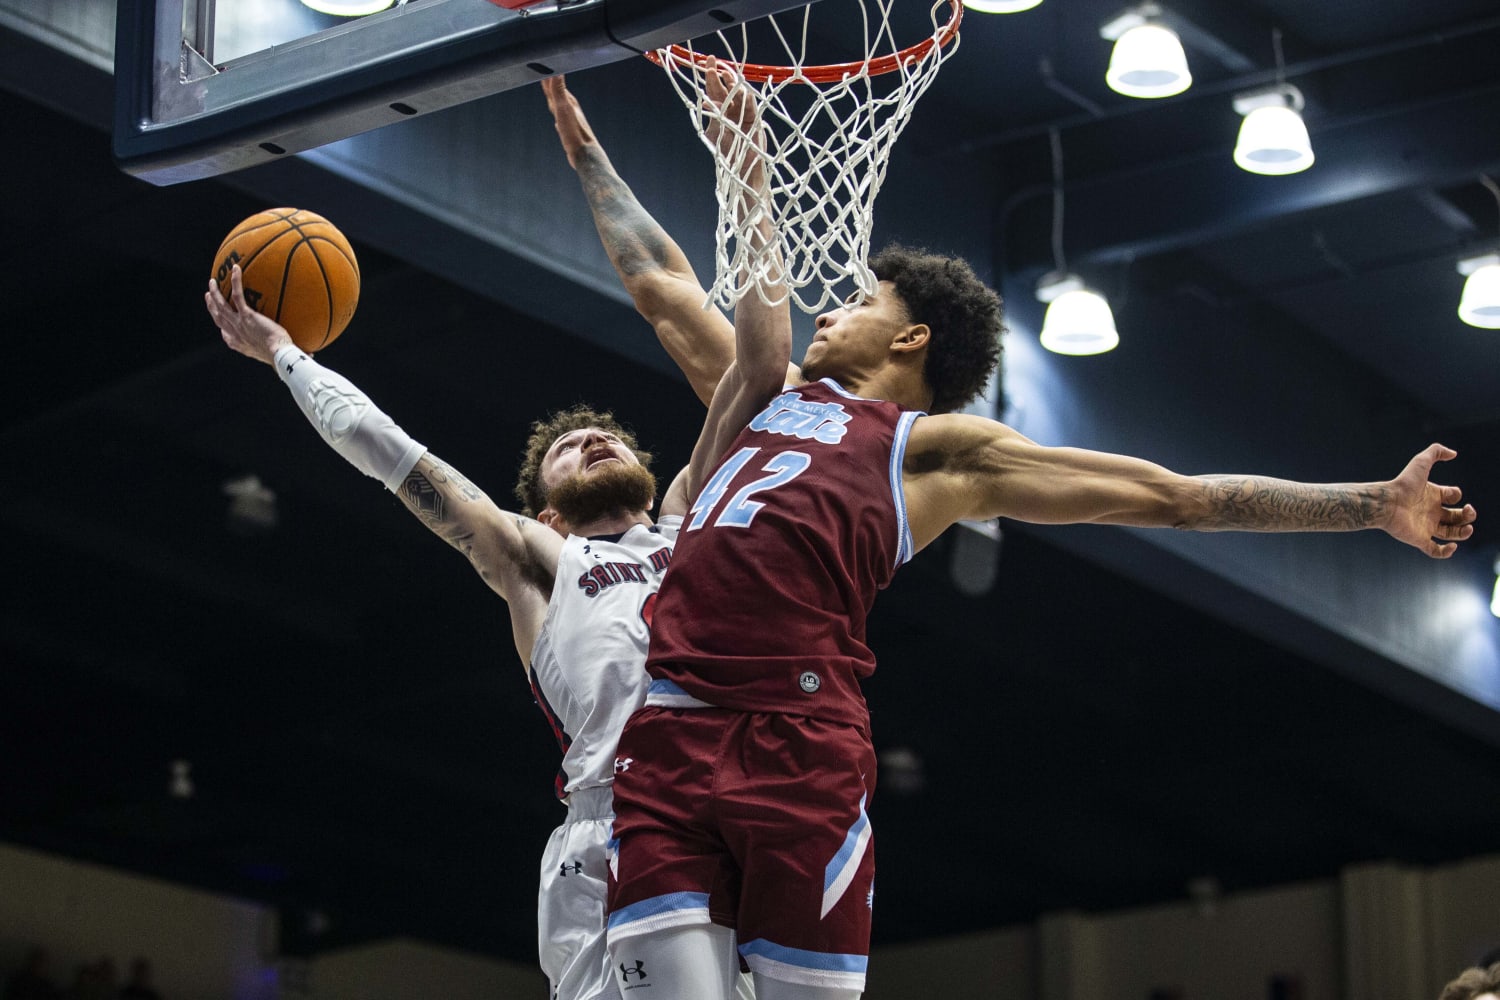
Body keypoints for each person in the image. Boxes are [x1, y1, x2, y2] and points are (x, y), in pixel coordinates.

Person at [536, 79, 1480, 1000]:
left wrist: (1370, 502)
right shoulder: (764, 402)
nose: (831, 310)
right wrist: (582, 144)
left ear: (910, 342)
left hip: (798, 741)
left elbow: (1176, 496)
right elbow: (662, 287)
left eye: (860, 302)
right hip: (668, 735)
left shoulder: (938, 454)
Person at [203, 65, 778, 1000]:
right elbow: (392, 455)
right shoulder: (537, 557)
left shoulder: (692, 517)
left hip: (740, 825)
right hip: (618, 830)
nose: (593, 436)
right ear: (543, 511)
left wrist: (689, 157)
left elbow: (748, 363)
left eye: (608, 435)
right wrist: (283, 353)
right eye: (566, 450)